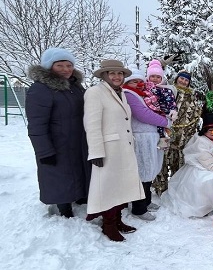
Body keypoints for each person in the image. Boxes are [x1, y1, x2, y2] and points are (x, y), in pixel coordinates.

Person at [83, 59, 145, 242]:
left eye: (120, 74)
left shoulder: (122, 93)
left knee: (121, 187)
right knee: (108, 189)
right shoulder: (95, 93)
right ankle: (108, 225)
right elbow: (92, 125)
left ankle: (117, 220)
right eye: (112, 73)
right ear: (104, 75)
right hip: (108, 150)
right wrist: (96, 152)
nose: (117, 77)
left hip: (123, 148)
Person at [26, 47, 90, 218]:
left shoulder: (75, 86)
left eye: (69, 65)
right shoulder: (40, 89)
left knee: (78, 169)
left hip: (77, 140)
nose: (66, 70)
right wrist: (44, 151)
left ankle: (79, 196)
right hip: (57, 143)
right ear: (49, 67)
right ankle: (63, 207)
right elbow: (36, 125)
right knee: (59, 175)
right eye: (60, 65)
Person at [161, 113, 213, 218]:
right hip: (203, 168)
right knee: (212, 180)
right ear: (204, 131)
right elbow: (211, 166)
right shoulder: (201, 143)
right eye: (210, 130)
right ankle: (207, 206)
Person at [122, 69, 171, 221]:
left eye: (138, 81)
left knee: (149, 169)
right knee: (143, 171)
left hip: (150, 136)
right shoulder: (129, 94)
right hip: (141, 137)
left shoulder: (145, 94)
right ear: (127, 83)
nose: (137, 83)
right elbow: (142, 114)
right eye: (133, 81)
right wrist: (166, 121)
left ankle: (147, 201)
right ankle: (139, 208)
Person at [155, 70, 202, 195]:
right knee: (163, 159)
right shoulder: (168, 91)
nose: (183, 81)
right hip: (166, 131)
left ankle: (177, 188)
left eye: (186, 80)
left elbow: (195, 114)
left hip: (183, 134)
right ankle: (161, 187)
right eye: (181, 79)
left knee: (179, 160)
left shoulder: (191, 96)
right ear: (177, 79)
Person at [145, 59, 177, 150]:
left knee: (162, 128)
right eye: (153, 76)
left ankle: (163, 141)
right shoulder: (145, 88)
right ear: (148, 77)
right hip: (150, 113)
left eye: (158, 77)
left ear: (162, 78)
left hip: (162, 112)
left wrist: (173, 110)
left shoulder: (165, 89)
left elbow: (171, 101)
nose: (155, 79)